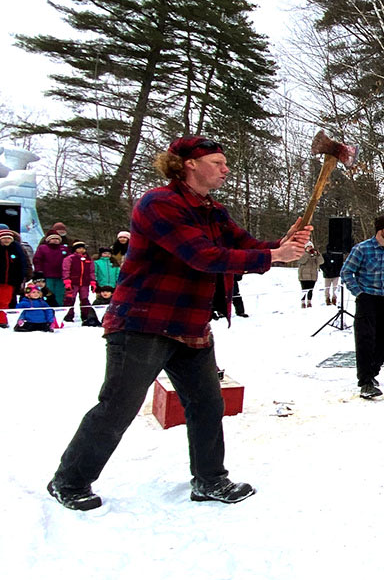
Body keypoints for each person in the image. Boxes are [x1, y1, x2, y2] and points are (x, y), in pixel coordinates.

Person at [46, 135, 313, 511]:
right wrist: (274, 255)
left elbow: (246, 246)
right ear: (190, 163)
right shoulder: (159, 204)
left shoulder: (212, 211)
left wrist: (281, 245)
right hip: (143, 321)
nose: (226, 169)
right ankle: (69, 481)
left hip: (191, 324)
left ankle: (210, 479)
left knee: (206, 403)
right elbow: (201, 256)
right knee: (118, 405)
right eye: (218, 162)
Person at [341, 215, 384, 399]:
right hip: (368, 298)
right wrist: (359, 293)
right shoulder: (362, 249)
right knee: (365, 339)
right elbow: (346, 271)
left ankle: (373, 372)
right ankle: (365, 381)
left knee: (383, 339)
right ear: (380, 229)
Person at [62, 240, 99, 325]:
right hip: (73, 282)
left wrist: (93, 282)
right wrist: (67, 281)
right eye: (79, 248)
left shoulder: (88, 259)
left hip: (85, 283)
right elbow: (66, 270)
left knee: (85, 299)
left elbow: (92, 271)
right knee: (70, 299)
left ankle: (86, 316)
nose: (81, 250)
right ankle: (68, 316)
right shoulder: (70, 258)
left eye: (83, 248)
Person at [0, 224, 30, 328]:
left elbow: (22, 264)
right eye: (4, 238)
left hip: (10, 281)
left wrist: (21, 278)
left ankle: (2, 320)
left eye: (8, 238)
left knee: (4, 302)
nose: (6, 240)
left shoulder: (17, 249)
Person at [33, 231, 70, 305]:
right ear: (48, 240)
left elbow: (69, 261)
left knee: (60, 293)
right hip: (47, 275)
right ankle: (48, 307)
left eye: (57, 239)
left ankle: (59, 309)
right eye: (53, 238)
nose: (55, 240)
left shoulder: (64, 249)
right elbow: (37, 260)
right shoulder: (43, 248)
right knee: (48, 293)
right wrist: (39, 271)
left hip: (61, 276)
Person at [297, 242, 324, 307]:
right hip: (304, 276)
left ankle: (309, 301)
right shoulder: (302, 254)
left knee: (310, 290)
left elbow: (321, 262)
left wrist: (318, 255)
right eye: (308, 246)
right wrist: (307, 254)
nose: (310, 248)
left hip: (313, 275)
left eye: (311, 246)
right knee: (304, 289)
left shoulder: (314, 255)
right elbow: (301, 261)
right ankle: (303, 302)